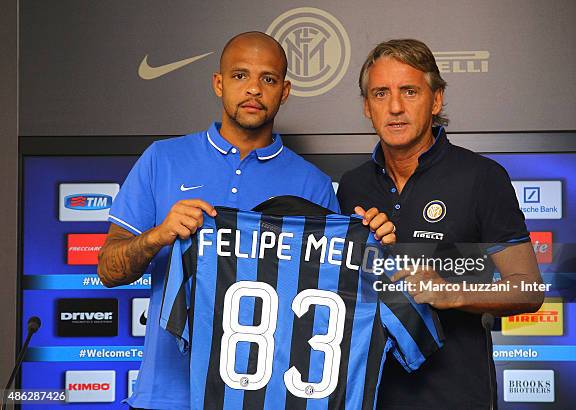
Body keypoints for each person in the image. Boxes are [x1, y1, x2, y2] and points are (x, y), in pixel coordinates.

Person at [97, 31, 395, 410]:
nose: (254, 89)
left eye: (268, 79)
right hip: (168, 396)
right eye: (240, 76)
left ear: (284, 91)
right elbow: (108, 269)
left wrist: (377, 246)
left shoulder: (314, 185)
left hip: (264, 399)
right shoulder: (162, 160)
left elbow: (332, 303)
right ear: (218, 83)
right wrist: (159, 236)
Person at [337, 39, 544, 409]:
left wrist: (453, 293)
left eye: (409, 91)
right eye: (381, 94)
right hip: (368, 397)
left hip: (457, 397)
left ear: (436, 100)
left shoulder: (481, 177)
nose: (395, 107)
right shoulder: (351, 185)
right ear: (367, 107)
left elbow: (529, 288)